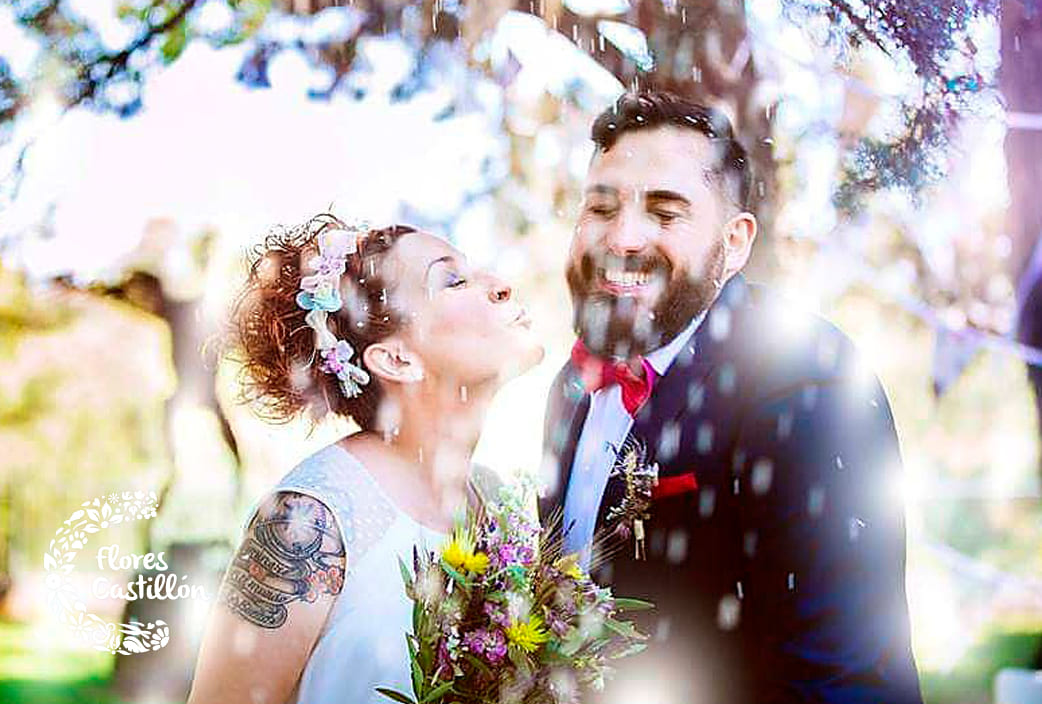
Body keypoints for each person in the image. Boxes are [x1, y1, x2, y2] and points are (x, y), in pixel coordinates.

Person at [538, 90, 923, 703]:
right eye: (601, 207)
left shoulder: (806, 378)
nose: (624, 237)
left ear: (736, 241)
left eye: (666, 214)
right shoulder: (570, 387)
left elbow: (842, 673)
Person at [188, 215, 543, 704]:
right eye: (453, 280)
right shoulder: (311, 518)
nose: (501, 286)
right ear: (397, 359)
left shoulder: (501, 504)